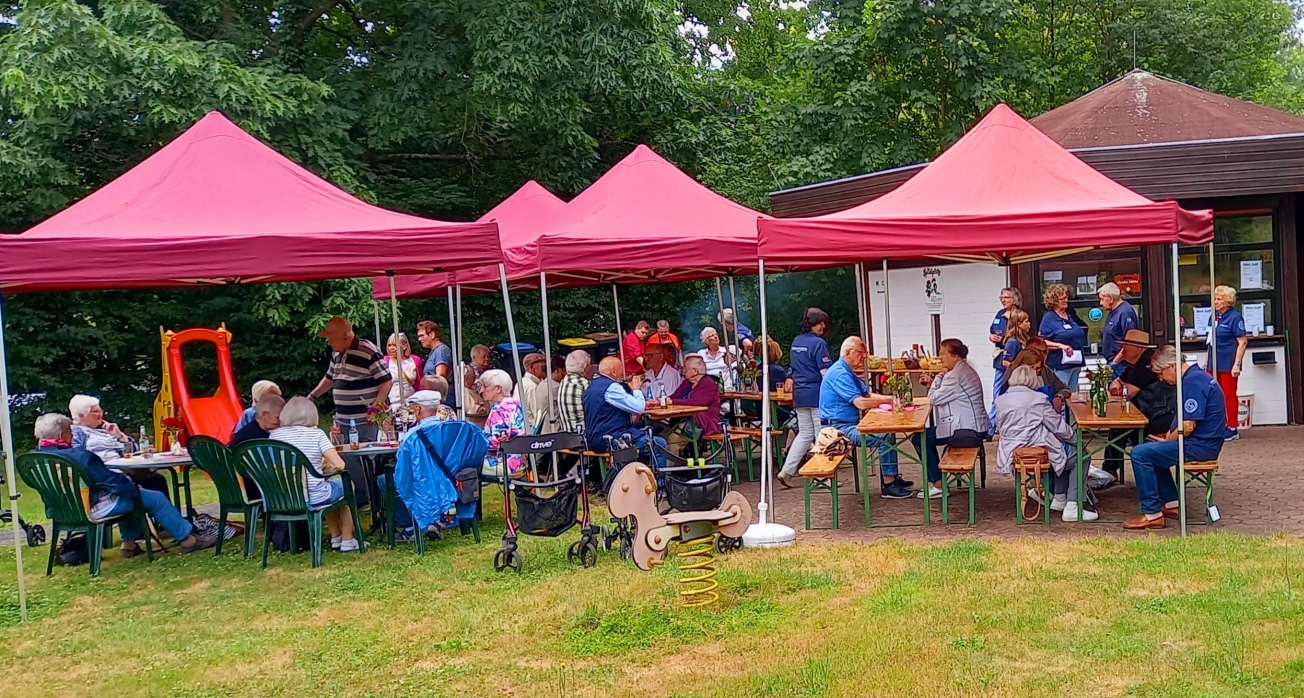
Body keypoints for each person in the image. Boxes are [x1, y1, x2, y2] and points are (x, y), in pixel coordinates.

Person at [33, 413, 216, 555]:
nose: (72, 436)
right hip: (94, 507)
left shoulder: (34, 459)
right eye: (71, 432)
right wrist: (132, 487)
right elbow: (109, 479)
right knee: (153, 497)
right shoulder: (78, 456)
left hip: (62, 511)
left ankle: (129, 545)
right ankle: (189, 540)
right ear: (62, 434)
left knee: (127, 493)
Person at [1125, 346, 1229, 529]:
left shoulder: (1193, 382)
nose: (1161, 378)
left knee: (1140, 453)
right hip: (1201, 442)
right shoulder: (1194, 378)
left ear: (1172, 366)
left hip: (1199, 446)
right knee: (1150, 449)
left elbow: (1188, 426)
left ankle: (1152, 513)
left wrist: (1167, 441)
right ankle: (1172, 503)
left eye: (1160, 373)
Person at [307, 317, 391, 509]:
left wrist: (375, 408)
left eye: (331, 338)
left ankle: (375, 498)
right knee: (348, 458)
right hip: (344, 418)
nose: (329, 342)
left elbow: (386, 380)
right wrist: (312, 396)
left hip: (365, 419)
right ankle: (361, 497)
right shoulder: (337, 353)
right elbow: (330, 378)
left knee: (367, 458)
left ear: (345, 336)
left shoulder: (367, 350)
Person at [994, 366, 1097, 522]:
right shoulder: (1037, 399)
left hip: (1010, 452)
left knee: (1063, 452)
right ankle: (1072, 507)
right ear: (1033, 379)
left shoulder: (1000, 400)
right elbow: (1058, 426)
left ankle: (1060, 498)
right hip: (1036, 449)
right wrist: (1076, 439)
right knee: (1081, 455)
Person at [820, 337, 910, 499]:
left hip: (846, 424)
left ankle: (892, 477)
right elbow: (861, 403)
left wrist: (890, 397)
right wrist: (888, 399)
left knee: (887, 433)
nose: (864, 357)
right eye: (862, 353)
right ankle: (889, 484)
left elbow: (867, 394)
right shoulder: (839, 373)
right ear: (849, 352)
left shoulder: (846, 370)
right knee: (884, 436)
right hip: (837, 431)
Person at [268, 397, 361, 551]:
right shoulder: (316, 434)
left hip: (283, 497)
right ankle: (347, 539)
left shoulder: (274, 436)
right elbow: (339, 464)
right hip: (313, 496)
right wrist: (324, 469)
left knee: (330, 486)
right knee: (346, 486)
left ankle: (336, 536)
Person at [912, 339, 991, 499]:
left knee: (920, 438)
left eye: (942, 354)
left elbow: (933, 398)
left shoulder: (954, 376)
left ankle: (938, 484)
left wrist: (938, 378)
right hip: (974, 426)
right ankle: (938, 481)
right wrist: (938, 379)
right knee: (925, 436)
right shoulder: (963, 370)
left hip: (966, 430)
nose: (939, 358)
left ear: (955, 356)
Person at [378, 390, 458, 540]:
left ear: (417, 409)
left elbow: (402, 467)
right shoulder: (452, 429)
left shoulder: (412, 435)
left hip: (424, 484)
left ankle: (409, 526)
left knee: (385, 480)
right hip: (451, 480)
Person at [68, 394, 169, 500]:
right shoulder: (76, 432)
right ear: (82, 415)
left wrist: (120, 435)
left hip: (124, 469)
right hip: (107, 476)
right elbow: (78, 455)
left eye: (101, 410)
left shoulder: (103, 431)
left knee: (158, 480)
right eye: (95, 412)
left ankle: (165, 514)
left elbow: (134, 451)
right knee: (154, 486)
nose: (100, 414)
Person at [1101, 330, 1174, 477]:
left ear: (1139, 348)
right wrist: (1119, 384)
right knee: (1118, 427)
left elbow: (1128, 391)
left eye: (1127, 346)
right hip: (1146, 412)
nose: (1123, 350)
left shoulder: (1147, 362)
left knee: (1130, 430)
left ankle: (1147, 472)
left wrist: (1120, 385)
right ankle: (1110, 469)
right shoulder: (1132, 364)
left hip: (1162, 415)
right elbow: (1115, 384)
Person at [779, 308, 833, 488]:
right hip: (817, 394)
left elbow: (793, 369)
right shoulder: (819, 344)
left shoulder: (796, 341)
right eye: (821, 322)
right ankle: (821, 475)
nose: (823, 326)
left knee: (804, 434)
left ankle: (787, 471)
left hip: (800, 395)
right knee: (821, 434)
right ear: (813, 323)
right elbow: (825, 373)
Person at [581, 356, 666, 466]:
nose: (623, 373)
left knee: (642, 431)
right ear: (613, 371)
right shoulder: (611, 387)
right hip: (611, 438)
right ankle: (659, 482)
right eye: (621, 369)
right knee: (659, 444)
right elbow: (638, 408)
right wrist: (636, 390)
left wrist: (644, 403)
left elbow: (612, 406)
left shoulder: (592, 387)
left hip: (594, 438)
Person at [1204, 284, 1248, 437]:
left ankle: (1232, 427)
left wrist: (1237, 364)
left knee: (1229, 395)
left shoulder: (1235, 317)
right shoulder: (1213, 317)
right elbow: (1209, 341)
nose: (1216, 302)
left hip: (1228, 363)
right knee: (1213, 396)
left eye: (1219, 299)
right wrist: (1206, 361)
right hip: (1213, 363)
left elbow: (1242, 342)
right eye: (1215, 299)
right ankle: (1217, 426)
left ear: (1228, 301)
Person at [227, 393, 285, 501]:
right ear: (264, 414)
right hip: (255, 489)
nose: (280, 421)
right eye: (278, 417)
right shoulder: (254, 439)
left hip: (239, 488)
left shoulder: (247, 431)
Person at [1039, 283, 1088, 390]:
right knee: (1060, 396)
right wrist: (1061, 346)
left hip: (1075, 364)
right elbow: (1041, 342)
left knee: (1072, 398)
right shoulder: (1049, 318)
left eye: (1066, 297)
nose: (1066, 300)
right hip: (1060, 366)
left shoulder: (1069, 315)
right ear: (1054, 301)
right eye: (1062, 298)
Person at [478, 369, 526, 478]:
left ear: (498, 389)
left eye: (485, 386)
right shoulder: (515, 403)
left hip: (504, 461)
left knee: (464, 465)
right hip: (521, 459)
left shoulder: (499, 409)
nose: (481, 390)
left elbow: (496, 442)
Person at [668, 355, 722, 437]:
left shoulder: (708, 383)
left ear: (695, 371)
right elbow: (674, 396)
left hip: (702, 423)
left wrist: (672, 402)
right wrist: (662, 400)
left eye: (686, 368)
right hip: (682, 419)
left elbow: (695, 402)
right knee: (660, 436)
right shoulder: (687, 382)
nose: (683, 370)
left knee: (672, 441)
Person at [1098, 282, 1139, 373]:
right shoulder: (1114, 311)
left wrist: (1115, 362)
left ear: (1111, 298)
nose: (1101, 303)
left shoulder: (1125, 312)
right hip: (1114, 361)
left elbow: (1131, 341)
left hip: (1121, 363)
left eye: (1102, 299)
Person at [417, 320, 455, 406]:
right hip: (436, 398)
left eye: (422, 335)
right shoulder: (435, 351)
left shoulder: (441, 350)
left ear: (432, 335)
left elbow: (440, 376)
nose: (419, 339)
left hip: (442, 400)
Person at [383, 332, 422, 409]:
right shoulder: (385, 361)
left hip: (412, 403)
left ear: (404, 346)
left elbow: (419, 382)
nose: (391, 348)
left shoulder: (415, 360)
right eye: (389, 345)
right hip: (392, 404)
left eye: (395, 345)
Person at [558, 350, 592, 433]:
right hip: (583, 437)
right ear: (586, 367)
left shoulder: (564, 381)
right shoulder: (583, 384)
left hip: (568, 436)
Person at [460, 344, 492, 427]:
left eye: (488, 356)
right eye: (484, 356)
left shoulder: (488, 371)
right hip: (475, 414)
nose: (487, 359)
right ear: (474, 357)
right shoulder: (467, 371)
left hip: (484, 412)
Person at [517, 352, 548, 431]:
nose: (545, 368)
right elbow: (537, 415)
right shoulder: (532, 387)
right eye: (542, 365)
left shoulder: (521, 382)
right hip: (530, 429)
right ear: (532, 367)